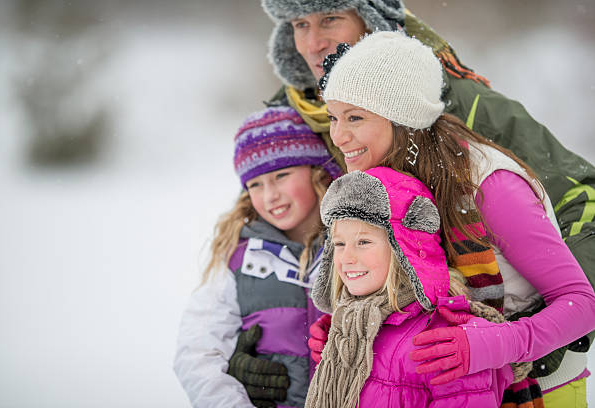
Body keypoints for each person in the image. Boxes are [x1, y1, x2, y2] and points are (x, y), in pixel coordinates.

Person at [254, 1, 595, 405]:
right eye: (333, 118)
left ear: (402, 118)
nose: (340, 137)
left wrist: (501, 343)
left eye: (356, 118)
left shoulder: (488, 183)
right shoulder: (384, 183)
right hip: (448, 389)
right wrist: (355, 328)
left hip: (540, 387)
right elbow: (418, 294)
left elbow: (582, 303)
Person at [305, 165, 521, 407]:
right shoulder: (348, 332)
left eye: (363, 241)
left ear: (404, 249)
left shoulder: (442, 341)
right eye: (340, 243)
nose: (347, 257)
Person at [172, 106, 341, 408]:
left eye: (281, 175)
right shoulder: (238, 257)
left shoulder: (354, 244)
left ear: (317, 171)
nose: (269, 195)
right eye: (255, 184)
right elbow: (197, 353)